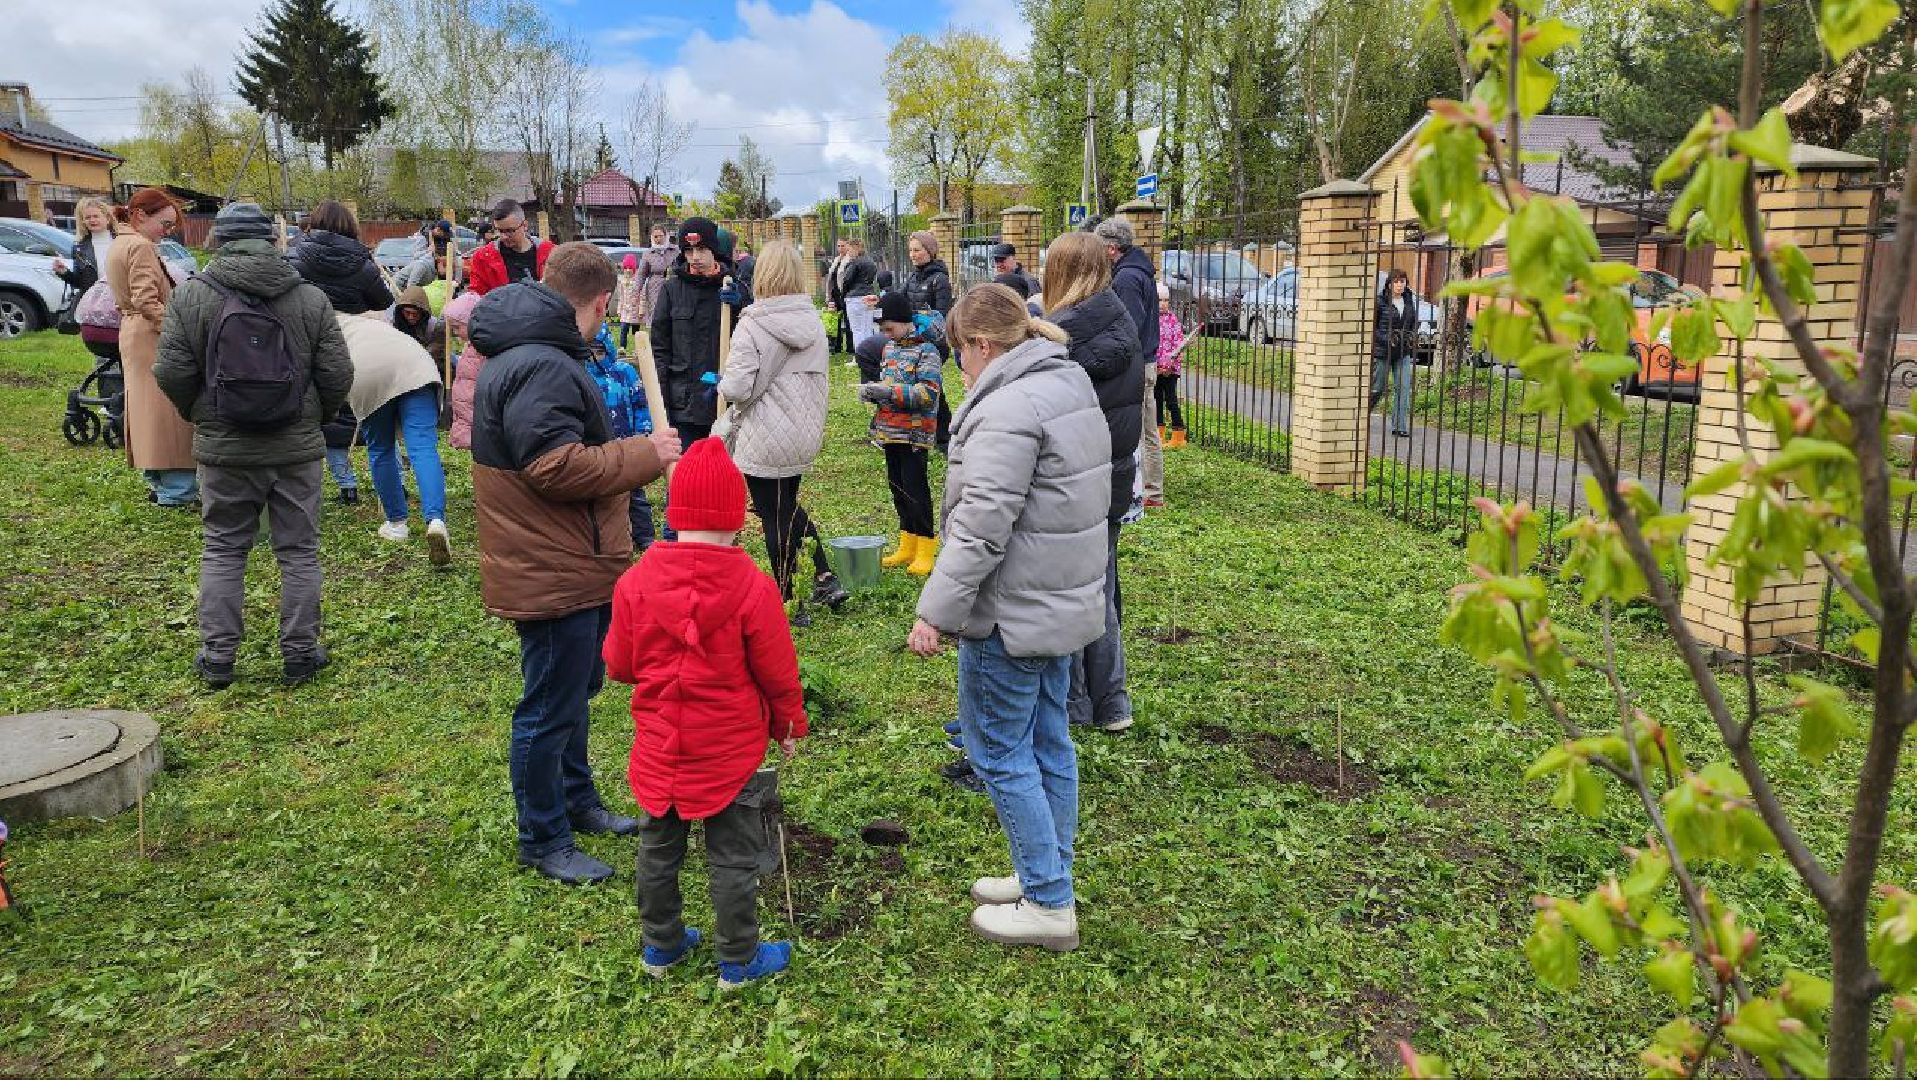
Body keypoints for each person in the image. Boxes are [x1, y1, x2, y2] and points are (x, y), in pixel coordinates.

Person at [469, 242, 683, 885]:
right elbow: (553, 466)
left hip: (570, 557)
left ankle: (577, 801)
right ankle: (543, 836)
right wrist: (644, 453)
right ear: (601, 302)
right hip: (551, 562)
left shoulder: (540, 355)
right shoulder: (542, 366)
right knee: (549, 704)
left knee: (574, 692)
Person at [908, 282, 1110, 952]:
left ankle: (1049, 904)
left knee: (997, 747)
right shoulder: (1064, 380)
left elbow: (980, 530)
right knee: (1047, 739)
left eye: (958, 356)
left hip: (1009, 611)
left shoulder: (1007, 408)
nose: (956, 370)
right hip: (1056, 598)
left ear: (982, 345)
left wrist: (934, 610)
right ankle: (1045, 872)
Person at [603, 438, 805, 988]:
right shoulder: (754, 588)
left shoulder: (635, 582)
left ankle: (661, 946)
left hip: (660, 747)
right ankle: (738, 959)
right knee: (734, 856)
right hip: (730, 751)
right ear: (737, 516)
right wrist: (787, 724)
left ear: (675, 514)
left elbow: (618, 663)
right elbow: (777, 672)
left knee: (657, 845)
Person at [153, 202, 354, 689]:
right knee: (299, 551)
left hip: (225, 448)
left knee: (223, 549)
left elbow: (172, 371)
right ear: (272, 239)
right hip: (296, 449)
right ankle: (301, 654)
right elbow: (337, 374)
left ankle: (218, 657)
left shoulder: (191, 297)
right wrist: (315, 417)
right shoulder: (309, 297)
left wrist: (201, 413)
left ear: (217, 241)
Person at [292, 202, 452, 564]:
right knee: (423, 446)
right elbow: (385, 302)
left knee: (380, 447)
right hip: (412, 358)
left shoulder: (304, 288)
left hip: (366, 363)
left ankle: (397, 523)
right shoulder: (361, 268)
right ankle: (436, 520)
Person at [715, 240, 849, 622]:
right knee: (786, 505)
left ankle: (789, 601)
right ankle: (824, 575)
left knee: (773, 514)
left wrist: (721, 384)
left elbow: (738, 389)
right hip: (802, 430)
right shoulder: (813, 322)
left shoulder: (752, 325)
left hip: (766, 433)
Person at [1044, 231, 1141, 735]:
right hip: (1114, 475)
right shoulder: (1119, 316)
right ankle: (1113, 703)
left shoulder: (1062, 334)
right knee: (1100, 588)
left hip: (1075, 479)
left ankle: (1075, 706)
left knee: (1073, 595)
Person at [107, 187, 199, 506]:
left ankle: (161, 483)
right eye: (165, 223)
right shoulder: (141, 246)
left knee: (146, 411)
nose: (168, 231)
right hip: (152, 335)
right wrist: (175, 329)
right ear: (140, 216)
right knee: (168, 412)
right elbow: (146, 299)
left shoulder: (120, 242)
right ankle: (178, 489)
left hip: (134, 332)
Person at [859, 291, 942, 576]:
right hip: (890, 431)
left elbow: (928, 394)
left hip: (914, 434)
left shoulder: (927, 351)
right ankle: (906, 543)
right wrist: (873, 393)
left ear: (906, 322)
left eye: (889, 328)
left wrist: (889, 391)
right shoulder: (889, 349)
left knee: (916, 490)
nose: (886, 335)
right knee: (898, 489)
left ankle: (925, 546)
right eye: (882, 331)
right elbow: (889, 387)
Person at [651, 216, 750, 449]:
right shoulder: (671, 290)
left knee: (720, 476)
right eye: (689, 251)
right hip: (683, 404)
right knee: (687, 477)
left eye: (702, 249)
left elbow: (751, 341)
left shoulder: (733, 287)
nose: (695, 258)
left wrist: (740, 307)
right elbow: (660, 348)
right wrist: (661, 399)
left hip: (724, 400)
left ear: (714, 250)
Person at [1094, 217, 1162, 510]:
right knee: (1145, 427)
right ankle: (1148, 488)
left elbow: (1129, 326)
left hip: (1139, 362)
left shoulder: (1127, 278)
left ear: (1111, 249)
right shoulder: (1137, 270)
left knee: (1143, 429)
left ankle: (1151, 492)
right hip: (1145, 359)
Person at [586, 323, 657, 553]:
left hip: (627, 444)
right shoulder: (582, 376)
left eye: (598, 350)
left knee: (635, 494)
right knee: (603, 496)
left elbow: (640, 402)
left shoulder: (624, 372)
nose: (594, 357)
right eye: (588, 351)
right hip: (600, 450)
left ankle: (645, 536)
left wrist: (643, 429)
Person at [289, 200, 396, 316]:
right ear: (350, 225)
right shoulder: (364, 266)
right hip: (351, 329)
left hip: (306, 328)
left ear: (313, 222)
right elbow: (383, 302)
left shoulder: (290, 258)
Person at [468, 200, 554, 295]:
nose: (504, 236)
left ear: (524, 225)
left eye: (510, 231)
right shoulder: (483, 258)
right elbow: (476, 298)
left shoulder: (550, 253)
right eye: (500, 231)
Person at [1373, 267, 1419, 438]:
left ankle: (1399, 426)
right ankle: (1362, 416)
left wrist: (1411, 336)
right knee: (1377, 388)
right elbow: (1373, 329)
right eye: (1396, 282)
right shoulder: (1380, 301)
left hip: (1402, 351)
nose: (1399, 285)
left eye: (1402, 282)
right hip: (1383, 351)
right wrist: (1387, 338)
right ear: (1390, 284)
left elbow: (1413, 322)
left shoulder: (1408, 301)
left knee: (1403, 387)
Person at [444, 290, 486, 451]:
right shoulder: (472, 346)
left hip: (474, 414)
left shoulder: (479, 349)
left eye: (457, 327)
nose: (455, 333)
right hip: (468, 413)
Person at [53, 196, 115, 299]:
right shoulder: (79, 247)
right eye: (88, 217)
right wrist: (64, 272)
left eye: (96, 216)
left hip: (122, 301)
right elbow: (80, 283)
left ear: (107, 218)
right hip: (95, 303)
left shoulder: (121, 241)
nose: (92, 220)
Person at [1155, 284, 1188, 451]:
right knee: (1157, 401)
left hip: (1170, 370)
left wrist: (1171, 365)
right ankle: (1158, 433)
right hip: (1156, 369)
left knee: (1171, 400)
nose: (1163, 304)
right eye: (1160, 300)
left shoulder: (1173, 320)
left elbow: (1179, 344)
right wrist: (1157, 366)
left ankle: (1178, 433)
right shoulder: (1150, 320)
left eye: (1166, 300)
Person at [638, 223, 676, 320]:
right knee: (656, 312)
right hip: (654, 286)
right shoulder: (648, 253)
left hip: (673, 283)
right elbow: (642, 274)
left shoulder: (675, 250)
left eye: (661, 236)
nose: (658, 239)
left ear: (666, 236)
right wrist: (637, 289)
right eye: (655, 236)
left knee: (672, 309)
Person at [824, 238, 851, 354]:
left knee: (848, 320)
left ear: (848, 246)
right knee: (835, 321)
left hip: (844, 294)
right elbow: (830, 278)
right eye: (838, 246)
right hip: (834, 295)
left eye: (842, 246)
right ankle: (836, 346)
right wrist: (828, 296)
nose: (840, 248)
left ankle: (850, 347)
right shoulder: (836, 260)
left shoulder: (850, 260)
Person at [616, 253, 644, 352]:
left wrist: (641, 310)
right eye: (626, 268)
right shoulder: (622, 282)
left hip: (635, 311)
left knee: (636, 332)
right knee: (623, 330)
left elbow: (642, 297)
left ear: (634, 269)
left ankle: (637, 349)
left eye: (630, 268)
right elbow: (621, 297)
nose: (628, 270)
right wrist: (619, 309)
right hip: (625, 311)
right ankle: (622, 348)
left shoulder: (638, 281)